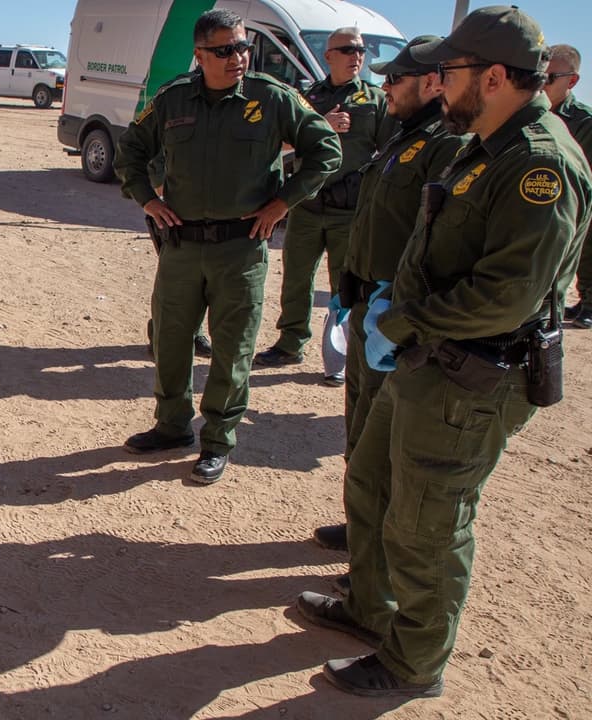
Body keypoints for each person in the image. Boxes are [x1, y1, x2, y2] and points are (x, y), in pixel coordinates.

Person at [295, 6, 591, 697]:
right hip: (430, 359)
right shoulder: (484, 143)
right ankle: (372, 611)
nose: (436, 83)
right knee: (373, 482)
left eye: (447, 72)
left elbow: (506, 298)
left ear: (491, 77)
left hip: (471, 376)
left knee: (427, 522)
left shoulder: (537, 165)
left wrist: (403, 320)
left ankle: (413, 663)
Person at [113, 8, 341, 484]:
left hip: (241, 250)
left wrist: (283, 203)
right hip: (180, 247)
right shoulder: (173, 99)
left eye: (242, 47)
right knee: (171, 343)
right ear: (199, 55)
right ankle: (172, 426)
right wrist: (148, 201)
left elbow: (326, 151)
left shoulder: (273, 97)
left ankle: (217, 440)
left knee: (232, 350)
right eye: (224, 50)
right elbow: (131, 151)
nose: (237, 57)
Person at [309, 38, 467, 555]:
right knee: (361, 429)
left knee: (387, 443)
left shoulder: (446, 145)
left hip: (395, 318)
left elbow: (441, 244)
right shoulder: (405, 137)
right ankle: (362, 524)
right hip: (367, 308)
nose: (383, 87)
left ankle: (375, 553)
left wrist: (395, 309)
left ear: (431, 82)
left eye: (394, 79)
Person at [256, 27, 390, 385]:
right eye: (347, 50)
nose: (356, 56)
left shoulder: (375, 101)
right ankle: (290, 342)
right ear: (328, 56)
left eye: (361, 50)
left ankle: (341, 356)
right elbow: (283, 142)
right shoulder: (307, 98)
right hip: (308, 204)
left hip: (350, 209)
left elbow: (391, 152)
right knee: (297, 277)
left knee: (345, 285)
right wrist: (321, 125)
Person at [544, 44, 592, 328]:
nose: (542, 83)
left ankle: (589, 301)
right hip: (552, 197)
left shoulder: (583, 120)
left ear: (571, 81)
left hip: (579, 198)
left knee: (586, 247)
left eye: (550, 78)